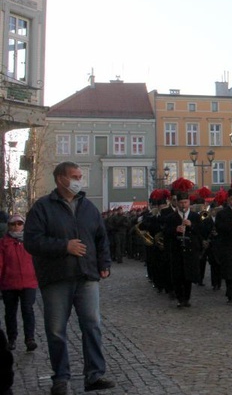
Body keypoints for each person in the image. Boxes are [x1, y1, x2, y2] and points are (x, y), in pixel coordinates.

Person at [24, 161, 116, 394]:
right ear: (60, 179)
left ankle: (94, 374)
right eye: (74, 176)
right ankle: (61, 377)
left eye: (79, 176)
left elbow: (101, 238)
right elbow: (32, 241)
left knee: (92, 325)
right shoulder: (42, 207)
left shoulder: (88, 207)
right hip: (57, 277)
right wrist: (64, 246)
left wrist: (104, 264)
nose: (78, 180)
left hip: (86, 276)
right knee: (56, 330)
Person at [0, 213, 38, 352]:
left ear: (23, 225)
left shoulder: (30, 242)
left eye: (19, 224)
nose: (16, 227)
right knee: (10, 312)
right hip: (9, 283)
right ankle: (12, 339)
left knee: (27, 310)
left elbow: (38, 260)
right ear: (9, 226)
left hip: (29, 282)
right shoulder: (3, 243)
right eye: (13, 224)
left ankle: (30, 338)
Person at [163, 192, 202, 307]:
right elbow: (165, 233)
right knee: (178, 275)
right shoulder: (171, 217)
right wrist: (175, 229)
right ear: (177, 203)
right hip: (176, 250)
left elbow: (201, 232)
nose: (183, 205)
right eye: (181, 203)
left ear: (189, 203)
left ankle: (187, 298)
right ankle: (180, 298)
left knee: (188, 275)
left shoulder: (195, 216)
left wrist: (191, 225)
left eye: (185, 202)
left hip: (190, 250)